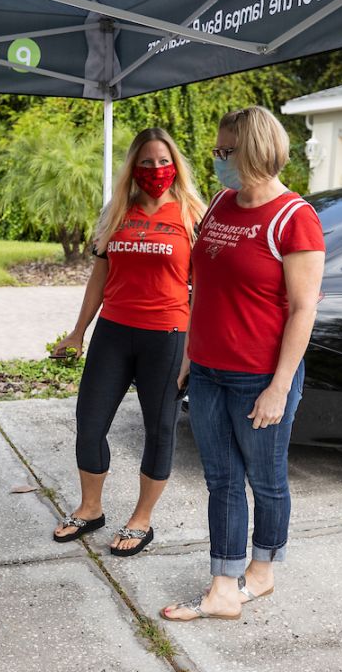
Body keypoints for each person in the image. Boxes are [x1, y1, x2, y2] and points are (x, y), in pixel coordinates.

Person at [161, 106, 325, 621]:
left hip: (259, 376)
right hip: (208, 370)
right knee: (222, 480)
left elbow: (304, 309)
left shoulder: (294, 218)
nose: (217, 160)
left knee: (267, 479)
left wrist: (279, 387)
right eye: (216, 151)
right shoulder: (219, 203)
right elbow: (202, 288)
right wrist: (189, 353)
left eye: (224, 152)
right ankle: (224, 586)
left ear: (253, 151)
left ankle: (263, 572)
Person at [51, 128, 206, 556]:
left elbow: (205, 289)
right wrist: (78, 330)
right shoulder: (117, 211)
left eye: (162, 161)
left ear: (174, 164)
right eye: (146, 162)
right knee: (90, 422)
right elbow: (99, 275)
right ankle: (90, 508)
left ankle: (142, 519)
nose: (155, 170)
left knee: (159, 431)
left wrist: (192, 351)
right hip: (114, 332)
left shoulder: (193, 214)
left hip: (168, 335)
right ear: (133, 168)